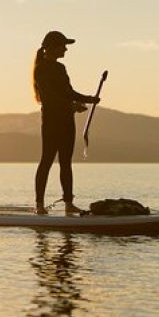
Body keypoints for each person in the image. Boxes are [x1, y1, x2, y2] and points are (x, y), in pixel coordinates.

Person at [33, 31, 100, 215]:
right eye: (63, 46)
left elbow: (68, 92)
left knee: (66, 163)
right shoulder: (41, 69)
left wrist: (88, 99)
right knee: (46, 160)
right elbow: (50, 98)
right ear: (52, 47)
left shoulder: (60, 68)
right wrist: (71, 106)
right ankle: (39, 205)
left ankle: (69, 203)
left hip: (66, 122)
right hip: (51, 121)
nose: (65, 49)